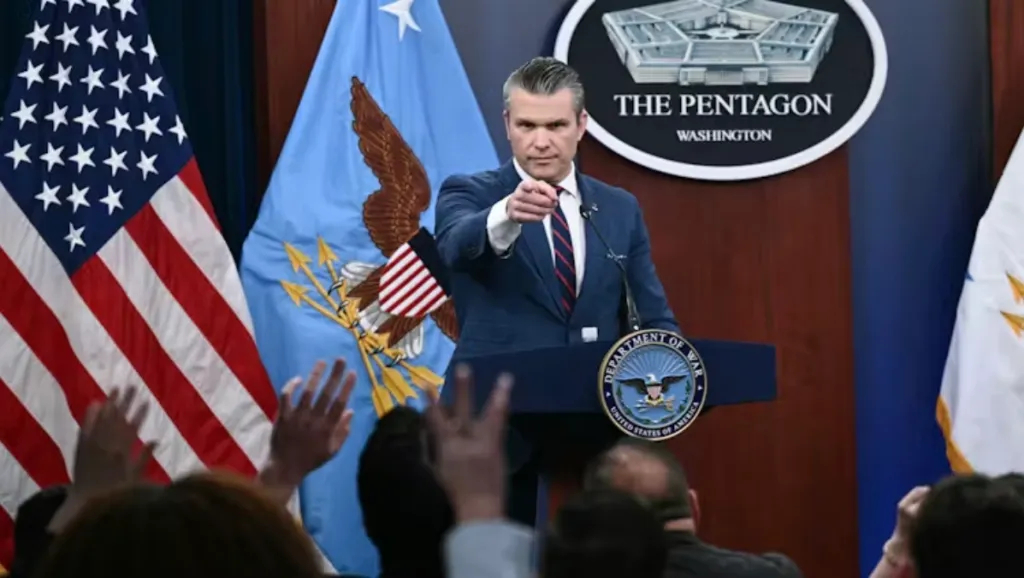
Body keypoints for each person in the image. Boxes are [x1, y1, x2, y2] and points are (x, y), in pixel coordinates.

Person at [435, 56, 680, 361]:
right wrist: (507, 213)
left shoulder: (620, 208)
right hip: (496, 402)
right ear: (508, 125)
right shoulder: (468, 192)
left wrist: (673, 378)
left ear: (581, 125)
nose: (541, 142)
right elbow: (455, 246)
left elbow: (652, 317)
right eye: (527, 125)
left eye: (556, 126)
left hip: (591, 400)